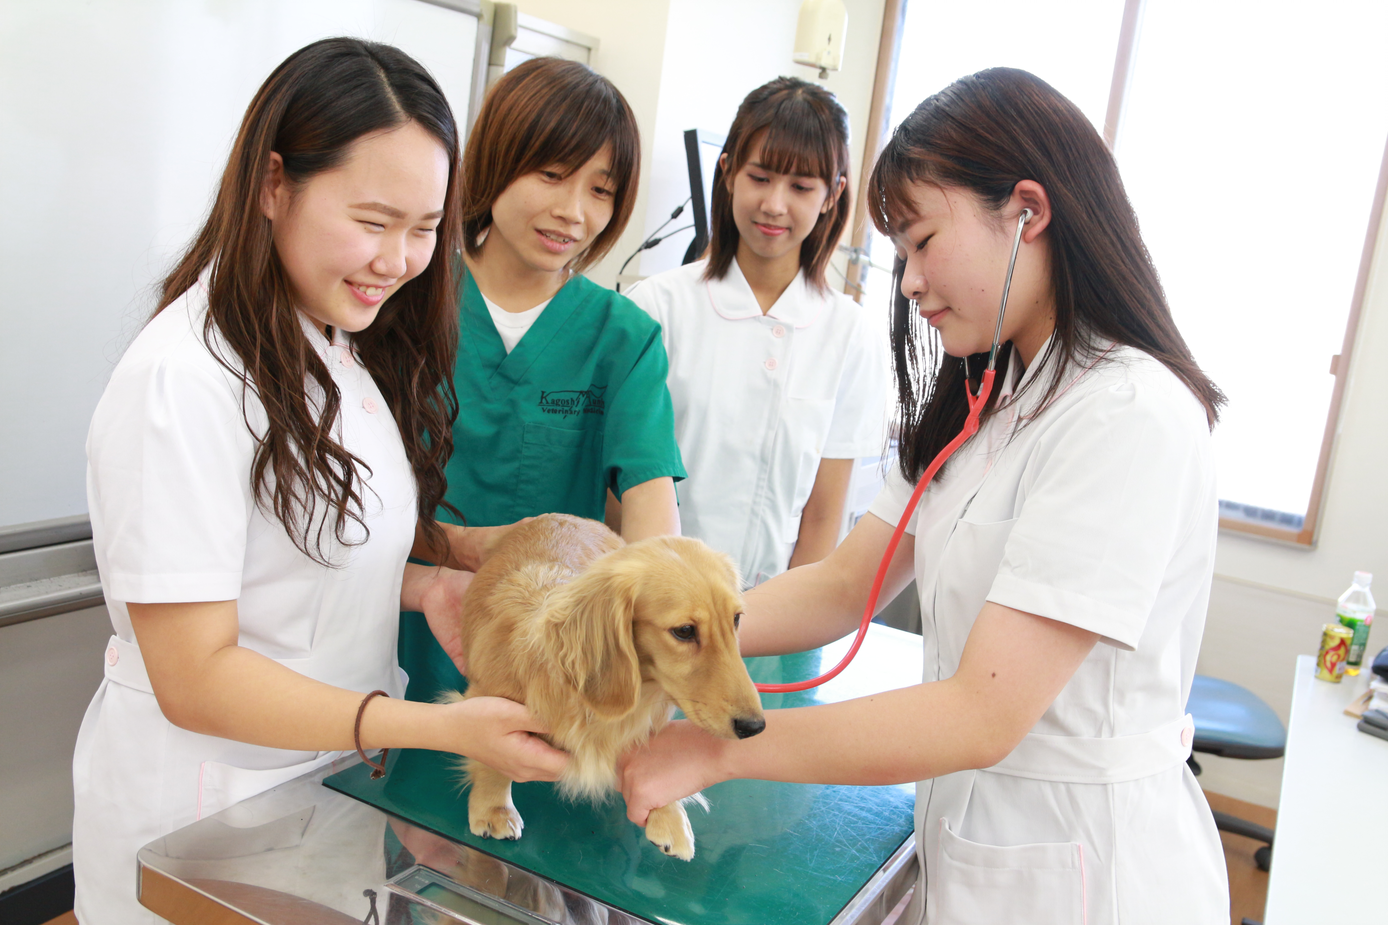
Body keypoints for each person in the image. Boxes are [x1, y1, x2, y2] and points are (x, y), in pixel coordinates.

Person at [618, 68, 1230, 924]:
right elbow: (841, 585)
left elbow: (983, 712)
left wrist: (719, 749)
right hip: (977, 836)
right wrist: (673, 639)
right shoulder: (982, 398)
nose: (905, 280)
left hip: (1090, 867)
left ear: (1028, 211)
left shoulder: (1128, 412)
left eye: (921, 239)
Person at [73, 39, 566, 924]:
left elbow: (299, 551)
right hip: (200, 809)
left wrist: (435, 582)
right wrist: (435, 728)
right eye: (374, 222)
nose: (402, 259)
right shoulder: (181, 382)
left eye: (425, 229)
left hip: (312, 794)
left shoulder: (331, 347)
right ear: (273, 184)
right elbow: (196, 673)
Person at [397, 57, 686, 705]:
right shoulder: (402, 298)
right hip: (396, 626)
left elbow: (651, 513)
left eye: (601, 190)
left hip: (547, 659)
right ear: (495, 163)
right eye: (551, 175)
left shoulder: (622, 338)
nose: (572, 212)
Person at [626, 78, 888, 588]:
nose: (774, 204)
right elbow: (623, 491)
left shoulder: (851, 336)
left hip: (776, 619)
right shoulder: (657, 307)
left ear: (833, 194)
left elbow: (822, 518)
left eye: (801, 187)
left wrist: (783, 634)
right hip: (655, 609)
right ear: (727, 172)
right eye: (761, 177)